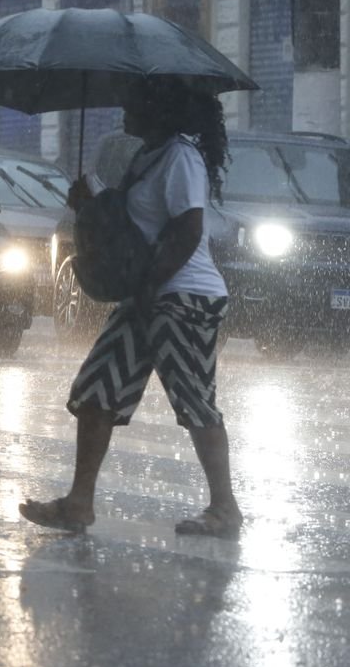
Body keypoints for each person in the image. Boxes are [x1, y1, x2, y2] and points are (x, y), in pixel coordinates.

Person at [20, 76, 241, 539]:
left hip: (183, 298)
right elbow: (132, 226)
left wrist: (150, 288)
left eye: (135, 100)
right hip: (146, 294)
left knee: (194, 399)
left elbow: (188, 230)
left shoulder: (181, 157)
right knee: (97, 391)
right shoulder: (148, 156)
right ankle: (79, 504)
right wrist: (90, 204)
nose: (125, 106)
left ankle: (225, 508)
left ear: (160, 108)